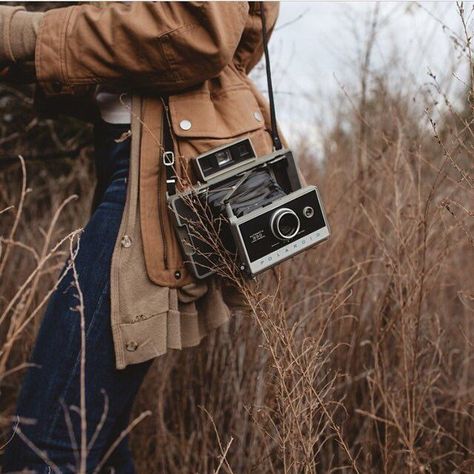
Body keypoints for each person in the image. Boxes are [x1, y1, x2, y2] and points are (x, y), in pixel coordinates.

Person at [0, 2, 282, 472]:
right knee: (98, 442)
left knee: (46, 447)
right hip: (143, 157)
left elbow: (203, 31)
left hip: (163, 167)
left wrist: (24, 32)